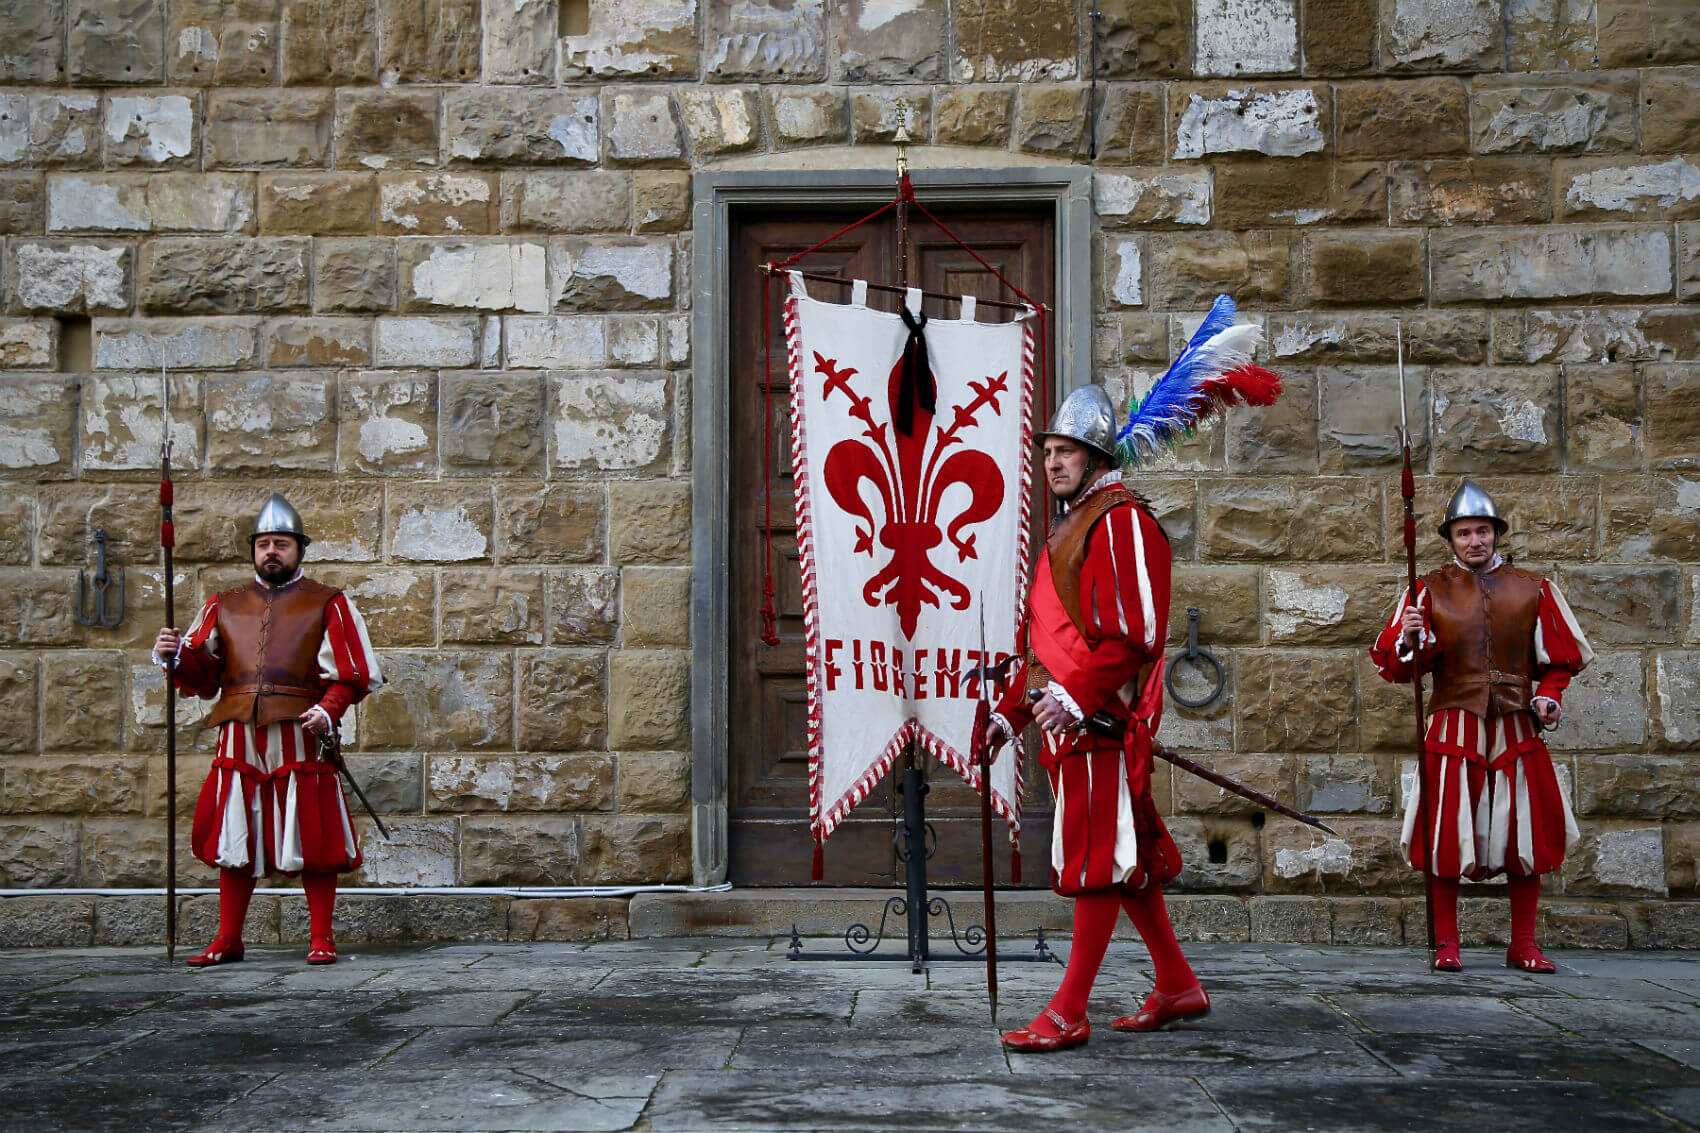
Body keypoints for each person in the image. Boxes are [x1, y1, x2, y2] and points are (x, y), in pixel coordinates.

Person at [986, 384, 1204, 1053]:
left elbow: (1136, 633)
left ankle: (1068, 1008)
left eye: (1067, 451)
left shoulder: (1121, 520)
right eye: (1049, 451)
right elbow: (1053, 643)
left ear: (1096, 453)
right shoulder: (1074, 523)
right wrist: (1011, 712)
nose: (1054, 462)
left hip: (1099, 724)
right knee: (1124, 860)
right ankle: (1176, 983)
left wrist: (1078, 697)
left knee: (1097, 862)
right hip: (1072, 722)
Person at [1371, 480, 1592, 973]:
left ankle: (1524, 944)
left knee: (1525, 833)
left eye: (1483, 531)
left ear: (1497, 534)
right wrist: (1410, 637)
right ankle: (1447, 943)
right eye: (1465, 533)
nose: (1475, 541)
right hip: (1453, 723)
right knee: (1446, 831)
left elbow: (1560, 660)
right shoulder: (1425, 589)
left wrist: (1548, 696)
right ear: (1450, 539)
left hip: (1516, 723)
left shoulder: (1534, 587)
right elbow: (1399, 666)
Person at [152, 494, 382, 966]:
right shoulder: (224, 604)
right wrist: (174, 655)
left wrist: (329, 710)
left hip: (301, 729)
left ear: (299, 549)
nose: (271, 551)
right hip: (238, 731)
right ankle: (229, 938)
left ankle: (321, 937)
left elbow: (354, 673)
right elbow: (203, 675)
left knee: (312, 832)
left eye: (281, 543)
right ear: (253, 550)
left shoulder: (329, 603)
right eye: (263, 544)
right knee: (237, 831)